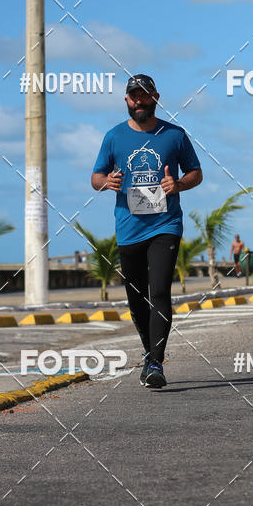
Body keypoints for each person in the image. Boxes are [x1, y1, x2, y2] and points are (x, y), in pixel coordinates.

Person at [91, 74, 203, 389]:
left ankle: (156, 363)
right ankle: (148, 351)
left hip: (166, 225)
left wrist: (178, 183)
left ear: (156, 97)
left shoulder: (175, 135)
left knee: (160, 291)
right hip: (129, 228)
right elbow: (96, 176)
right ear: (127, 101)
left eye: (145, 95)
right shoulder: (113, 137)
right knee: (137, 298)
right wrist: (106, 183)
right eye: (133, 96)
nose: (139, 101)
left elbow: (196, 172)